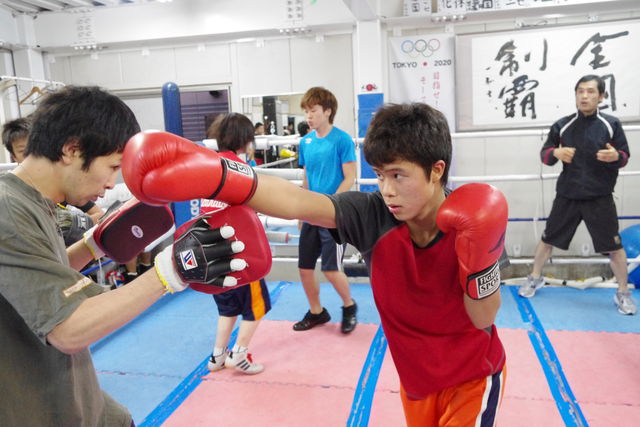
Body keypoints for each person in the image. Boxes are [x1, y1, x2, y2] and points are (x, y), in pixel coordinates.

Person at [122, 102, 509, 425]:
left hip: (472, 376)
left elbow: (483, 318)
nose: (387, 190)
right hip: (417, 382)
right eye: (380, 175)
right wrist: (218, 174)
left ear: (436, 170)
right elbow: (297, 202)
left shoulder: (477, 222)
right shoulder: (373, 214)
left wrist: (476, 258)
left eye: (398, 175)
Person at [0, 86, 253, 426]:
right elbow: (68, 330)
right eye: (112, 166)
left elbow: (38, 280)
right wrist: (170, 271)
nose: (111, 183)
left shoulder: (34, 201)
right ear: (72, 149)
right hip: (41, 409)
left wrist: (94, 246)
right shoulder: (8, 210)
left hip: (82, 399)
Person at [518, 75, 636, 315]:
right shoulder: (563, 125)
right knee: (548, 239)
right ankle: (535, 277)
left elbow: (624, 156)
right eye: (580, 91)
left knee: (614, 247)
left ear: (601, 96)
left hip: (600, 196)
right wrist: (556, 153)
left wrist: (616, 157)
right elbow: (545, 155)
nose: (584, 96)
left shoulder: (611, 124)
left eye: (590, 91)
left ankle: (623, 292)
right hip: (568, 194)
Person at [203, 113, 271, 374]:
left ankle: (217, 357)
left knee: (227, 307)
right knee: (258, 305)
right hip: (237, 253)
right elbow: (251, 208)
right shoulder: (240, 170)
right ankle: (239, 354)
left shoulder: (208, 166)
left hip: (211, 253)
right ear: (245, 139)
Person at [294, 86, 358, 334]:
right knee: (304, 268)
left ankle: (349, 306)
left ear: (328, 111)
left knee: (331, 269)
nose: (309, 116)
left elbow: (350, 177)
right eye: (306, 111)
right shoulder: (306, 142)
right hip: (311, 212)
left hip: (332, 215)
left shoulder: (342, 140)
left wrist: (332, 203)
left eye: (314, 110)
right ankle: (316, 312)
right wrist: (301, 210)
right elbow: (307, 177)